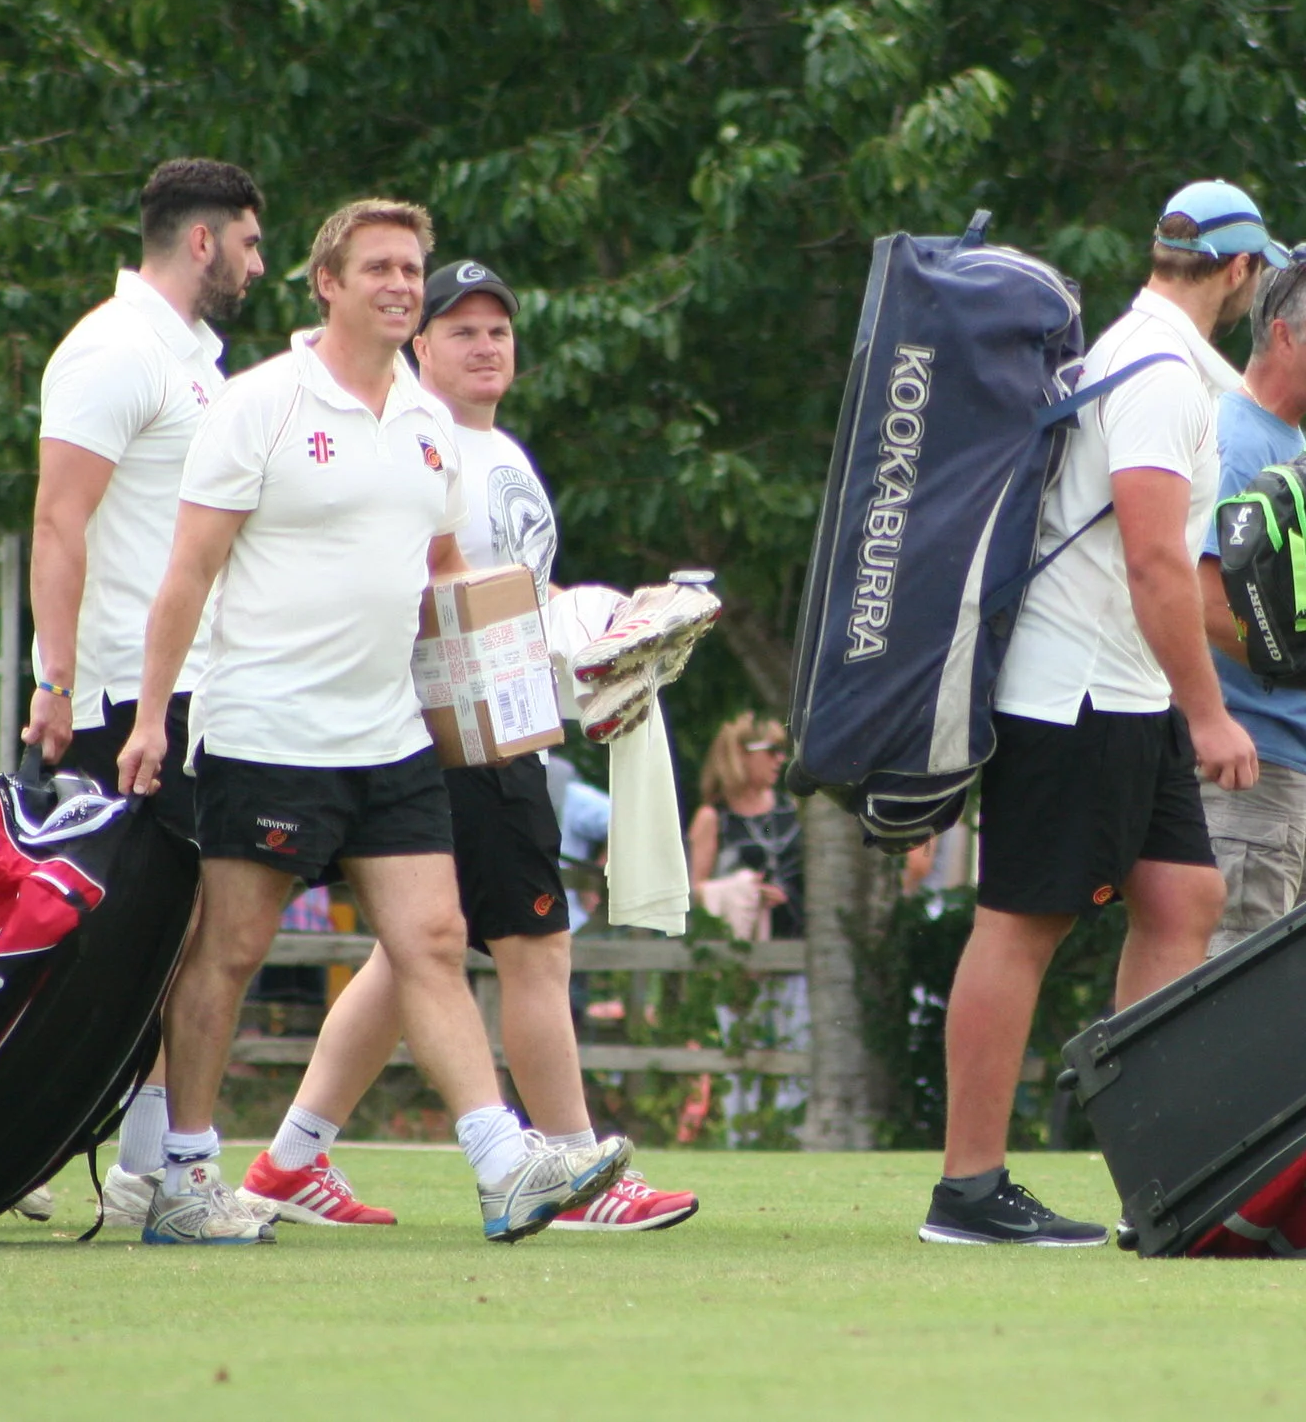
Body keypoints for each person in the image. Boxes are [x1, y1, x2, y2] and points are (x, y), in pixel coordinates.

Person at [117, 200, 628, 1245]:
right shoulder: (259, 405)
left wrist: (557, 641)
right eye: (382, 267)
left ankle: (501, 1163)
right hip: (267, 728)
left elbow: (445, 580)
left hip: (392, 734)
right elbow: (187, 574)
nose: (402, 283)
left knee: (434, 941)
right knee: (231, 949)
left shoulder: (432, 422)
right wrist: (154, 717)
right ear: (328, 282)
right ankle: (184, 1173)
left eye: (412, 267)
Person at [243, 259, 695, 1233]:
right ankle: (578, 1170)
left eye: (498, 329)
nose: (486, 345)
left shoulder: (500, 452)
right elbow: (428, 604)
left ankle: (288, 1162)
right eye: (462, 330)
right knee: (535, 945)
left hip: (497, 727)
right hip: (457, 736)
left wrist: (599, 654)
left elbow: (515, 602)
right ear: (420, 345)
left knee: (409, 957)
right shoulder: (422, 442)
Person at [921, 179, 1267, 1247]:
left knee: (1183, 898)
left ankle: (1153, 1174)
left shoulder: (1143, 350)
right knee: (1021, 925)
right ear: (1242, 270)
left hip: (1125, 690)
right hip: (1073, 694)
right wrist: (1210, 714)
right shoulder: (1160, 371)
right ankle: (967, 1189)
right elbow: (1159, 561)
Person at [25, 157, 265, 1227]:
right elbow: (57, 519)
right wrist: (55, 680)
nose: (260, 264)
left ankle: (143, 1170)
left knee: (184, 937)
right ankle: (31, 1142)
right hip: (124, 697)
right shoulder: (116, 349)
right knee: (121, 943)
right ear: (203, 240)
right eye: (252, 243)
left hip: (193, 692)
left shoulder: (198, 364)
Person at [1194, 242, 1306, 952]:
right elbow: (1203, 602)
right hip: (1248, 770)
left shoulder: (1291, 439)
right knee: (1236, 998)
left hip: (1301, 759)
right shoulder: (1237, 443)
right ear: (1285, 335)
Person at [688, 714, 805, 940]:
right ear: (741, 754)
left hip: (798, 942)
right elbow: (693, 891)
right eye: (771, 750)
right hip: (739, 947)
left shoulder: (792, 808)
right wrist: (744, 891)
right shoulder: (712, 818)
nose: (780, 759)